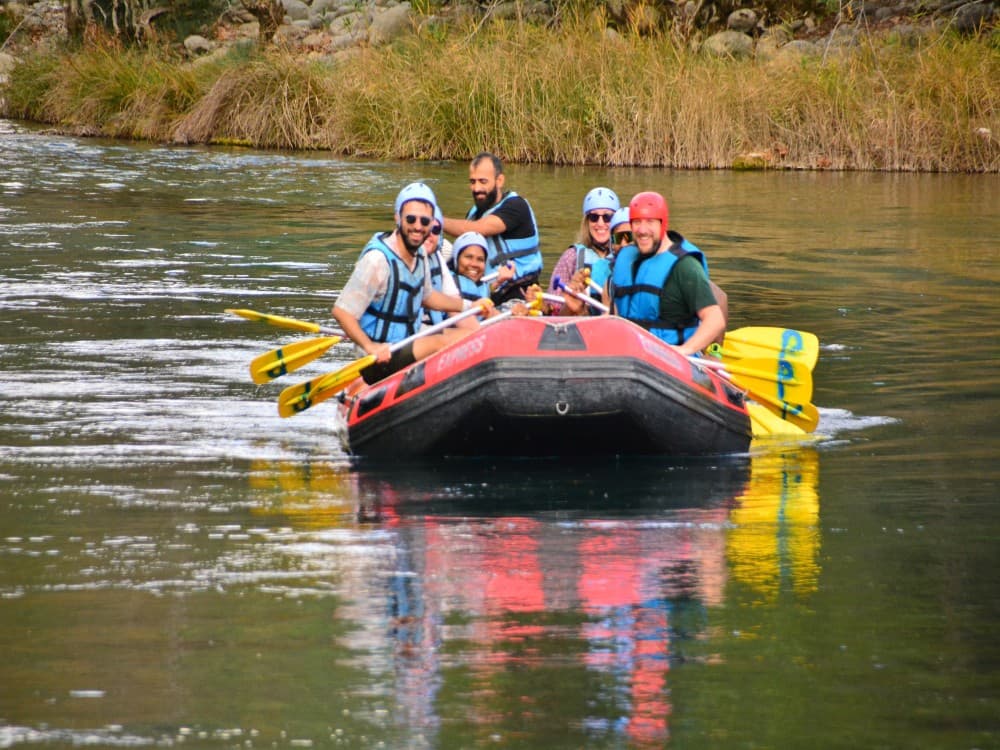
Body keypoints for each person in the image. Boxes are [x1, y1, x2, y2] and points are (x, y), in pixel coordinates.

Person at [333, 182, 492, 385]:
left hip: (404, 343)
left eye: (425, 221)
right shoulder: (377, 261)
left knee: (470, 334)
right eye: (411, 219)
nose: (418, 226)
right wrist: (371, 347)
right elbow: (342, 312)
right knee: (440, 341)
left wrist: (470, 306)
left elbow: (428, 297)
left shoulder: (420, 255)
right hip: (378, 356)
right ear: (398, 218)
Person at [564, 191, 724, 357]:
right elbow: (613, 319)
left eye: (650, 222)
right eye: (637, 222)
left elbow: (715, 319)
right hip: (629, 356)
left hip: (673, 359)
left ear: (663, 224)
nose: (642, 230)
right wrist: (579, 312)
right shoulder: (623, 262)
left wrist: (685, 350)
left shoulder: (685, 266)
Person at [442, 152, 542, 304]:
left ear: (499, 180)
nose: (476, 188)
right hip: (487, 293)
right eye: (472, 182)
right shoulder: (473, 213)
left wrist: (433, 219)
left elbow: (477, 229)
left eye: (483, 182)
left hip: (518, 293)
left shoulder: (516, 206)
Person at [545, 186, 620, 314]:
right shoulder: (572, 256)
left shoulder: (624, 255)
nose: (600, 223)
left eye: (607, 217)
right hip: (581, 325)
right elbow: (553, 308)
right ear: (587, 222)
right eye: (594, 217)